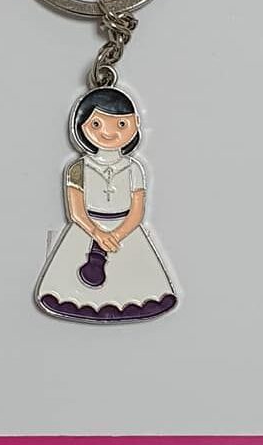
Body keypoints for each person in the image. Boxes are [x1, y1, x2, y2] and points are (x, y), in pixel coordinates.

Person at [36, 87, 176, 322]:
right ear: (81, 126)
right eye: (97, 124)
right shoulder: (77, 168)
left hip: (126, 231)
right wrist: (98, 234)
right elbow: (76, 211)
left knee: (136, 286)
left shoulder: (134, 169)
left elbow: (137, 211)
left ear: (136, 124)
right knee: (69, 288)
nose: (109, 133)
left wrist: (116, 236)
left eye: (121, 124)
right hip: (86, 229)